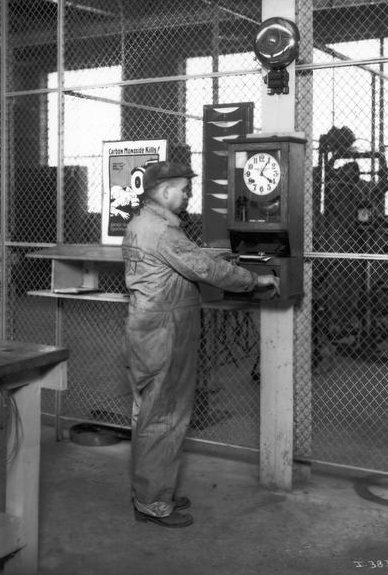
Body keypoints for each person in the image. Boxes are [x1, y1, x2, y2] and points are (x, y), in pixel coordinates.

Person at [122, 161, 280, 528]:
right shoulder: (162, 231)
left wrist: (214, 255)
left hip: (149, 329)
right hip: (165, 333)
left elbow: (186, 259)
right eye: (183, 188)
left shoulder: (142, 224)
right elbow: (206, 271)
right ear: (164, 192)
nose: (188, 194)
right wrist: (254, 280)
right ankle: (152, 503)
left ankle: (153, 491)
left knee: (153, 413)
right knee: (164, 416)